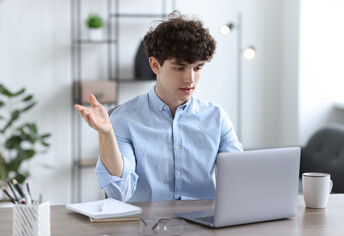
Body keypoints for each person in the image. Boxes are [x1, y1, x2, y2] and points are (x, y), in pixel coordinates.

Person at [75, 11, 243, 202]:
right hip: (146, 226)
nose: (190, 79)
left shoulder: (217, 118)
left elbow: (239, 182)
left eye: (198, 68)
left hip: (205, 224)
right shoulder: (125, 119)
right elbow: (120, 193)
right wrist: (106, 134)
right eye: (179, 68)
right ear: (155, 65)